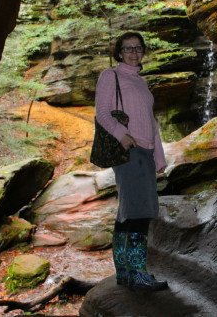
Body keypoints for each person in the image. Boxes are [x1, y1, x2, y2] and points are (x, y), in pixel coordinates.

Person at [94, 31, 168, 291]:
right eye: (128, 48)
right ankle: (137, 273)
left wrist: (158, 156)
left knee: (128, 213)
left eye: (138, 48)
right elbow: (102, 113)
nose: (134, 52)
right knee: (139, 213)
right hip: (129, 150)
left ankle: (125, 272)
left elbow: (151, 122)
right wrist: (121, 135)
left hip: (144, 152)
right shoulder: (110, 76)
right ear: (119, 52)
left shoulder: (142, 83)